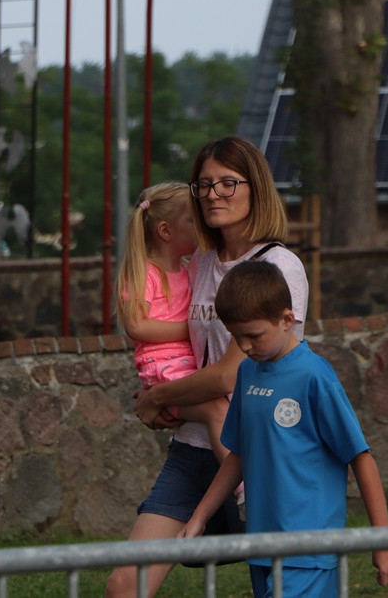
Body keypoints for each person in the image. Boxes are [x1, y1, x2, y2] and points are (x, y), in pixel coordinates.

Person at [105, 136, 309, 597]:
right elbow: (170, 334)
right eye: (204, 185)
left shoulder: (278, 265)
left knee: (281, 585)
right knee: (124, 584)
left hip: (261, 447)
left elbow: (228, 374)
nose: (214, 194)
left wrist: (159, 397)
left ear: (255, 186)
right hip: (198, 447)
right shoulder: (198, 263)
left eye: (228, 183)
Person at [179, 260, 388, 597]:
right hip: (260, 545)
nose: (244, 346)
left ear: (287, 319)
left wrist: (384, 542)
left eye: (253, 335)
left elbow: (360, 457)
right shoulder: (247, 373)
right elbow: (238, 454)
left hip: (308, 548)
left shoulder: (315, 376)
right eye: (236, 337)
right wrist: (200, 516)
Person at [114, 182, 231, 466]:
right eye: (193, 220)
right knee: (217, 409)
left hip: (184, 366)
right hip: (163, 369)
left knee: (226, 403)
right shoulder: (145, 273)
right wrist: (192, 328)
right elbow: (136, 326)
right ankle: (243, 487)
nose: (202, 224)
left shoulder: (190, 268)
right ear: (165, 231)